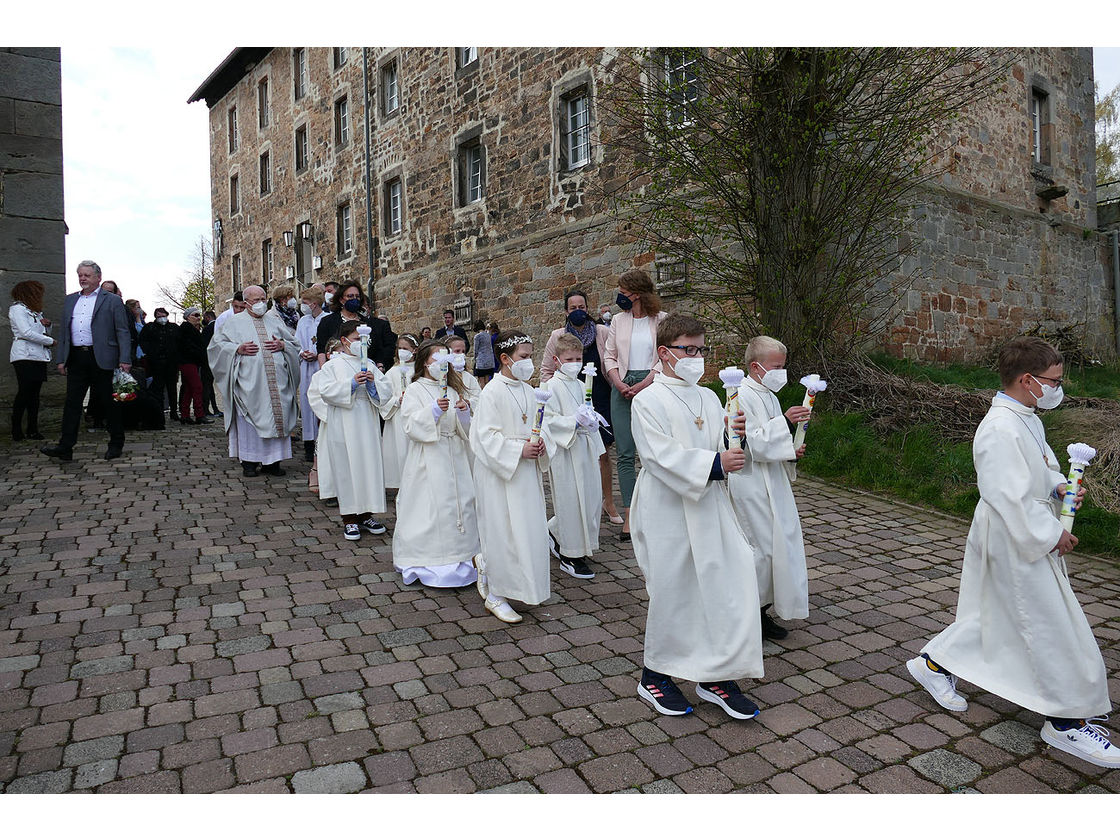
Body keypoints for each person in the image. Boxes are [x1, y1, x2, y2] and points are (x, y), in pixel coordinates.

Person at [907, 336, 1118, 769]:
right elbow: (1008, 496)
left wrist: (1057, 485)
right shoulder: (999, 427)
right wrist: (1050, 533)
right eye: (1053, 380)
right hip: (1013, 533)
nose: (1059, 388)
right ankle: (1065, 722)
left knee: (1000, 613)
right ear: (1027, 380)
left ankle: (932, 664)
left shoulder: (1026, 416)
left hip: (1022, 528)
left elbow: (1037, 469)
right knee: (1047, 621)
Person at [630, 314, 763, 720]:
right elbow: (658, 455)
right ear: (665, 353)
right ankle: (656, 676)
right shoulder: (646, 400)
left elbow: (720, 444)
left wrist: (732, 435)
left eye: (702, 349)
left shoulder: (707, 396)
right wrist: (715, 462)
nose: (698, 357)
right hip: (669, 507)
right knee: (677, 589)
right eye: (689, 350)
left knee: (727, 580)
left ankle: (715, 673)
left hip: (709, 505)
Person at [727, 336, 811, 641]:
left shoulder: (770, 395)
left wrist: (791, 449)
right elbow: (748, 441)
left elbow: (772, 442)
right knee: (759, 549)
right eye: (776, 367)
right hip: (750, 483)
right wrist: (785, 424)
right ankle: (752, 614)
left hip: (772, 482)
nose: (781, 373)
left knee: (780, 544)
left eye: (783, 367)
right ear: (755, 366)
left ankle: (764, 608)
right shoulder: (740, 395)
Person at [469, 331, 551, 624]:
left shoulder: (529, 391)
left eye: (531, 356)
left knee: (525, 531)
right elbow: (483, 438)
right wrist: (518, 449)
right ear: (505, 359)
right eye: (524, 357)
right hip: (499, 474)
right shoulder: (492, 392)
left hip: (526, 473)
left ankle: (518, 583)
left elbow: (543, 426)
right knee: (502, 530)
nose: (529, 363)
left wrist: (542, 444)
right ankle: (495, 594)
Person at [391, 340, 481, 586]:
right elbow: (409, 425)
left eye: (445, 361)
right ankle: (431, 558)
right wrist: (432, 412)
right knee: (433, 505)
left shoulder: (453, 391)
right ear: (424, 363)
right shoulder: (415, 390)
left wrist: (462, 412)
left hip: (454, 453)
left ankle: (463, 556)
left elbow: (464, 430)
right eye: (436, 361)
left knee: (460, 503)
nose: (441, 366)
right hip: (429, 456)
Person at [541, 288, 623, 526]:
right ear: (567, 311)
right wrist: (551, 393)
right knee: (578, 450)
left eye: (582, 307)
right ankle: (580, 500)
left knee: (603, 451)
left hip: (599, 394)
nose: (578, 311)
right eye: (573, 308)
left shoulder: (601, 332)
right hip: (568, 395)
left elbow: (610, 359)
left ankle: (607, 501)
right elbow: (547, 368)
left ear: (588, 309)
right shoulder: (557, 336)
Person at [307, 321, 392, 540]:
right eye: (356, 339)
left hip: (367, 420)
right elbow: (325, 391)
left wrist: (373, 386)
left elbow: (385, 390)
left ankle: (367, 514)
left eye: (363, 340)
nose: (361, 344)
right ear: (344, 341)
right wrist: (351, 385)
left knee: (368, 466)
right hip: (344, 420)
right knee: (348, 467)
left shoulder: (370, 364)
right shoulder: (333, 365)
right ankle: (349, 518)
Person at [41, 260, 132, 461]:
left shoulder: (111, 300)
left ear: (98, 277)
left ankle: (116, 442)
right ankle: (65, 447)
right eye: (80, 275)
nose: (83, 278)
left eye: (87, 275)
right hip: (77, 357)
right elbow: (64, 331)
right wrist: (61, 359)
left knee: (110, 402)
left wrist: (125, 358)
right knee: (72, 403)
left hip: (103, 357)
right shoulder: (70, 300)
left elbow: (122, 331)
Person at [208, 285, 300, 478]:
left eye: (262, 299)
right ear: (246, 302)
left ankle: (273, 462)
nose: (260, 304)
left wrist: (282, 345)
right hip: (248, 384)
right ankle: (249, 462)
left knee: (276, 418)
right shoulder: (233, 323)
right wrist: (237, 349)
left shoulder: (275, 321)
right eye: (255, 300)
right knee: (249, 423)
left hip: (277, 383)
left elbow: (294, 344)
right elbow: (216, 347)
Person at [604, 268, 668, 541]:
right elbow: (610, 355)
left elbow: (665, 357)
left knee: (653, 450)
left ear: (638, 294)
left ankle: (658, 510)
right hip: (622, 386)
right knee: (626, 453)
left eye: (624, 292)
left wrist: (645, 384)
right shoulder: (618, 320)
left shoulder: (662, 320)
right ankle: (630, 513)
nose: (620, 297)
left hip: (652, 385)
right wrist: (618, 382)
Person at [543, 333, 606, 580]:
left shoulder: (582, 385)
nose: (575, 362)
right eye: (569, 358)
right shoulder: (550, 387)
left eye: (578, 358)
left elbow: (589, 415)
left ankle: (558, 532)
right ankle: (569, 554)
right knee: (570, 501)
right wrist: (573, 422)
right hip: (565, 452)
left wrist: (591, 424)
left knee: (590, 498)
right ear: (557, 360)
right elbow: (547, 419)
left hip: (585, 449)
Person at [9, 280, 55, 441]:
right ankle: (16, 429)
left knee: (34, 394)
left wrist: (48, 326)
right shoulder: (17, 309)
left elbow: (42, 331)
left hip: (38, 356)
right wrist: (50, 341)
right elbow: (26, 332)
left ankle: (32, 429)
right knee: (24, 392)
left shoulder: (36, 312)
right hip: (24, 355)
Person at [315, 282, 395, 371]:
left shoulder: (371, 324)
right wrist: (324, 371)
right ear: (341, 300)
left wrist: (380, 365)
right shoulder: (327, 322)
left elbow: (381, 349)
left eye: (357, 296)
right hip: (338, 371)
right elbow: (321, 350)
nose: (354, 299)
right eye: (350, 296)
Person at [380, 333, 419, 491]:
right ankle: (401, 485)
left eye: (406, 348)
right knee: (400, 450)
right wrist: (397, 400)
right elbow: (383, 397)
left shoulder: (421, 370)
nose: (402, 351)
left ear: (415, 350)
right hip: (398, 417)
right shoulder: (392, 373)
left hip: (416, 416)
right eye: (400, 348)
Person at [295, 286, 327, 461]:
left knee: (321, 399)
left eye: (305, 303)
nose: (303, 306)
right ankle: (309, 442)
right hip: (306, 367)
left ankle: (321, 441)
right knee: (307, 401)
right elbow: (297, 342)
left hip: (320, 365)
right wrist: (302, 353)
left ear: (314, 304)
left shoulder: (327, 319)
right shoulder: (303, 321)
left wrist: (317, 353)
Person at [139, 307, 180, 422]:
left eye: (163, 315)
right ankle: (159, 410)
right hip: (156, 363)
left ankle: (174, 411)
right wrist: (150, 352)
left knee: (172, 388)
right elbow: (142, 340)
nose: (161, 318)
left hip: (171, 362)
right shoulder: (150, 327)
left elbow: (180, 342)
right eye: (158, 316)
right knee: (158, 387)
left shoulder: (173, 327)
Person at [176, 307, 212, 425]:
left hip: (191, 362)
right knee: (197, 387)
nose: (198, 318)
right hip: (188, 362)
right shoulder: (186, 330)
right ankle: (199, 414)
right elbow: (189, 347)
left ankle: (185, 414)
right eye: (195, 315)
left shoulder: (192, 330)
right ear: (188, 317)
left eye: (199, 315)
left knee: (189, 389)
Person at [445, 335, 481, 412]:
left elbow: (478, 397)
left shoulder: (469, 378)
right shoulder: (443, 377)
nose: (461, 354)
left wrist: (469, 403)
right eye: (457, 351)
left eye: (463, 351)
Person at [200, 311, 221, 418]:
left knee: (207, 386)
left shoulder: (207, 329)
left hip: (207, 361)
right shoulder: (220, 327)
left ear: (208, 317)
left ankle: (206, 409)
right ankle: (215, 408)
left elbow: (203, 346)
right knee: (210, 386)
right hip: (218, 360)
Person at [471, 319, 496, 388]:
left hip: (481, 361)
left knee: (481, 381)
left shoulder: (477, 336)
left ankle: (483, 396)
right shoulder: (488, 335)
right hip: (489, 361)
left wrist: (474, 359)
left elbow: (476, 350)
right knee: (487, 381)